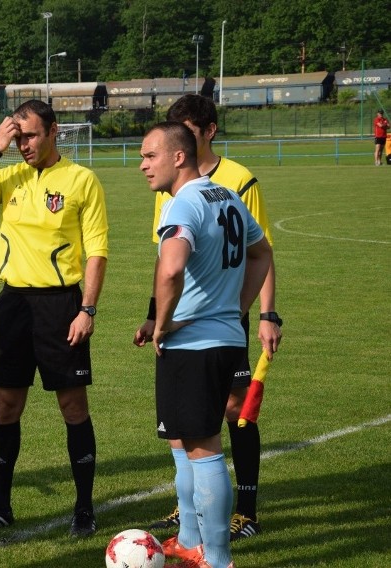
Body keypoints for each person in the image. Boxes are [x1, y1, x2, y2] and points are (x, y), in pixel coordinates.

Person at [0, 99, 109, 538]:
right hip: (13, 305)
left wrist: (87, 309)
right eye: (18, 137)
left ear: (55, 131)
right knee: (6, 406)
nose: (24, 145)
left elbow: (96, 251)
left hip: (62, 306)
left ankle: (83, 509)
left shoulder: (81, 180)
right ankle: (0, 505)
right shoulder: (9, 175)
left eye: (31, 135)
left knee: (72, 406)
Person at [134, 121, 273, 568]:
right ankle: (190, 538)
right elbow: (262, 252)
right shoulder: (225, 195)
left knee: (203, 448)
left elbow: (172, 268)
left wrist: (163, 321)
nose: (142, 165)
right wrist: (236, 307)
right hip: (224, 337)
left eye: (150, 155)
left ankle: (216, 558)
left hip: (193, 344)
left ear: (179, 156)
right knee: (182, 440)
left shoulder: (185, 203)